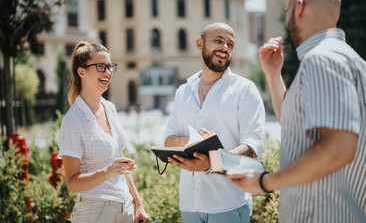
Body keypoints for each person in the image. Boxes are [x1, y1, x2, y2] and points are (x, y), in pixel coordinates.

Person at [228, 0, 366, 222]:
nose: (287, 20)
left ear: (299, 8)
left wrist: (265, 182)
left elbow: (339, 148)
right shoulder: (355, 61)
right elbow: (296, 125)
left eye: (286, 12)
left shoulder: (321, 59)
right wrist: (273, 75)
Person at [163, 23, 265, 223]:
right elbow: (168, 139)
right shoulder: (183, 91)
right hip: (189, 205)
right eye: (218, 40)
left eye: (230, 44)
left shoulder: (245, 89)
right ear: (200, 43)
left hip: (229, 204)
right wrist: (196, 141)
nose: (225, 47)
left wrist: (213, 163)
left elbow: (253, 145)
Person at [57, 42, 149, 223]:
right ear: (81, 72)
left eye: (110, 66)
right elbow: (72, 184)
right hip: (95, 212)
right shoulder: (72, 121)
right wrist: (107, 171)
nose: (107, 72)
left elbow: (119, 161)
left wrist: (138, 203)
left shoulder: (110, 108)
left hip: (126, 208)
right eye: (100, 66)